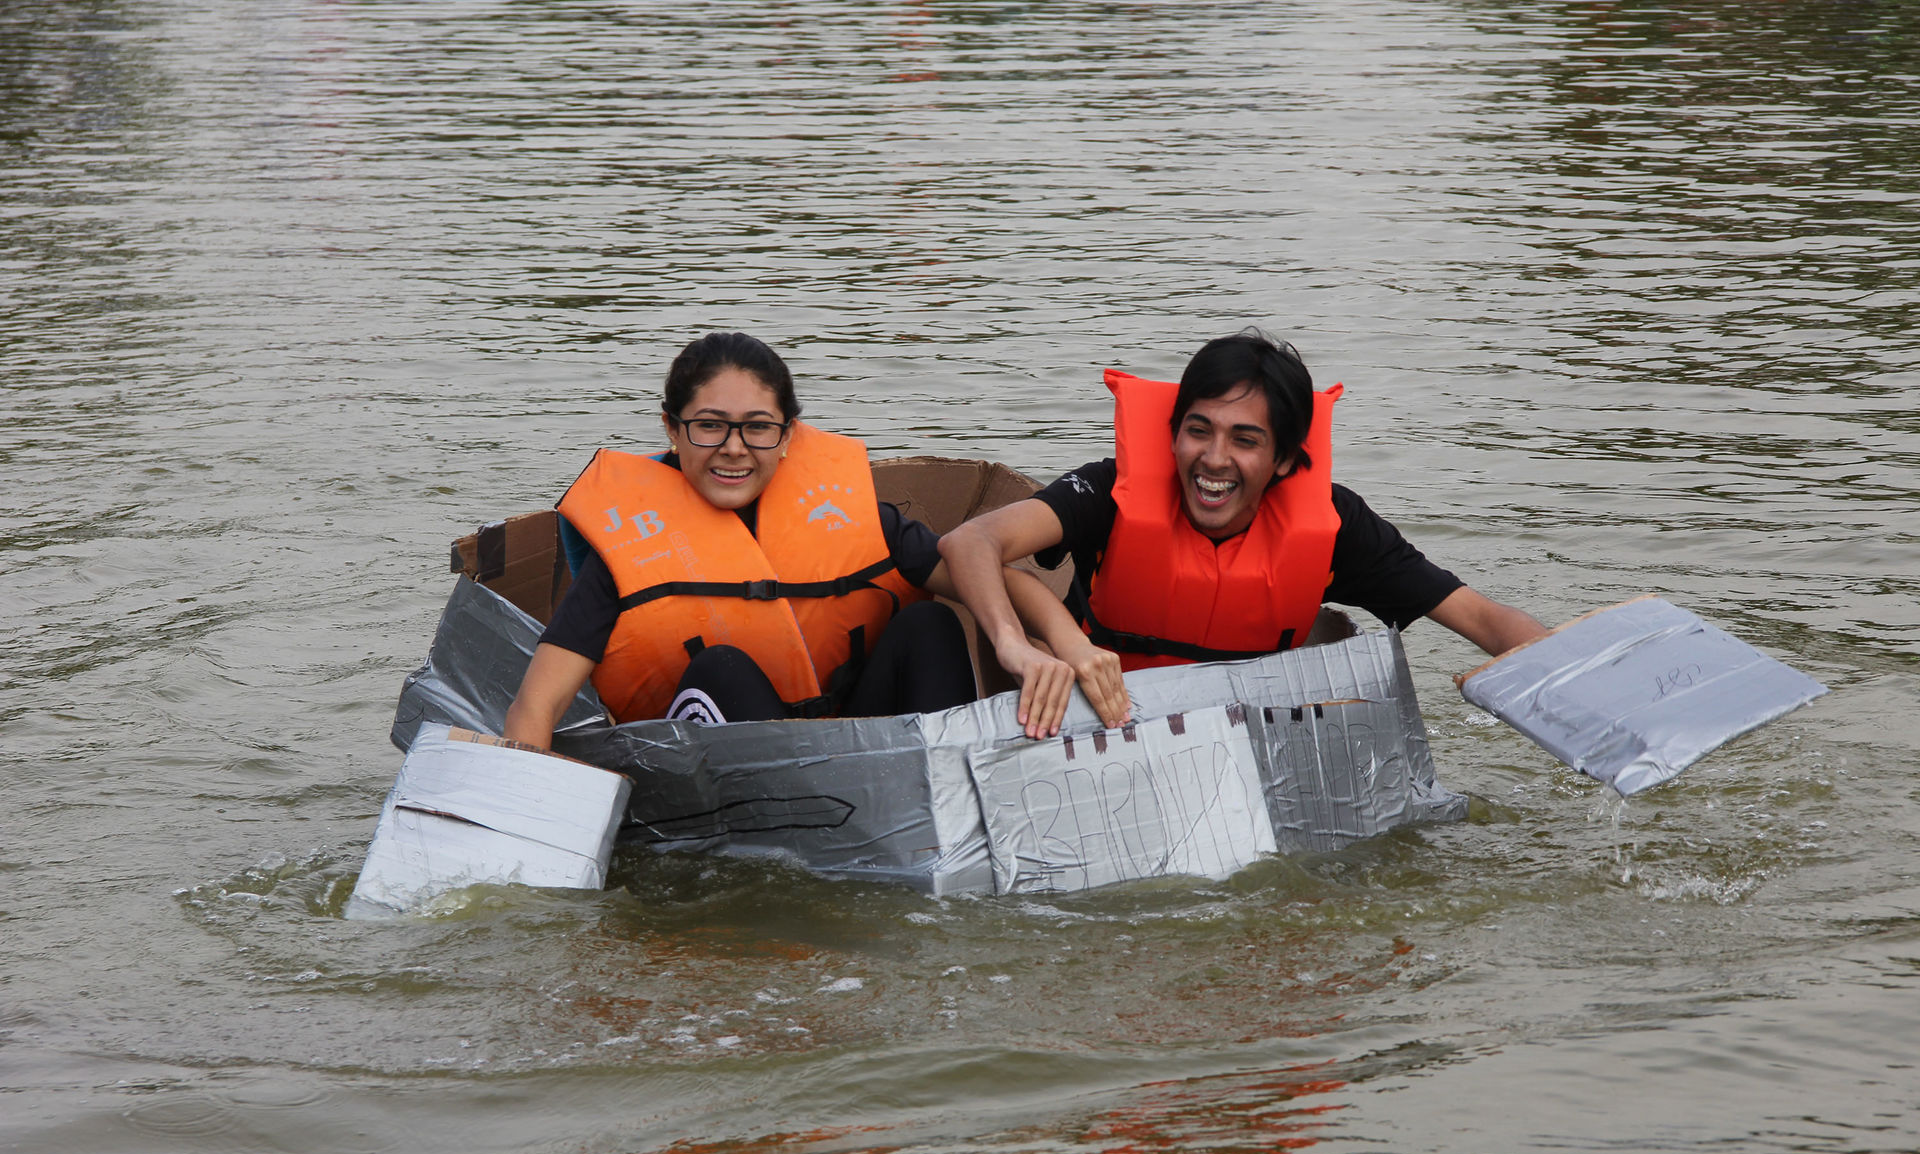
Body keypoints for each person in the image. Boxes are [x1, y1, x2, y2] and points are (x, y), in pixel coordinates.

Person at [937, 329, 1549, 738]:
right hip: (1108, 724)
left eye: (1245, 440)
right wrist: (1016, 645)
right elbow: (971, 542)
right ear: (1174, 434)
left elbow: (1483, 620)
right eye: (1198, 430)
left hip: (1244, 737)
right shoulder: (1112, 490)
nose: (1214, 459)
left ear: (1283, 460)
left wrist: (1585, 692)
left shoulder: (1336, 525)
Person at [504, 332, 1045, 748]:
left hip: (860, 746)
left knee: (930, 624)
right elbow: (535, 706)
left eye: (757, 427)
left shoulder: (851, 518)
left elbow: (997, 581)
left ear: (788, 435)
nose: (735, 448)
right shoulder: (630, 553)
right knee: (723, 665)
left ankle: (949, 799)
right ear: (671, 429)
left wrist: (1061, 648)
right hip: (731, 773)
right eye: (710, 426)